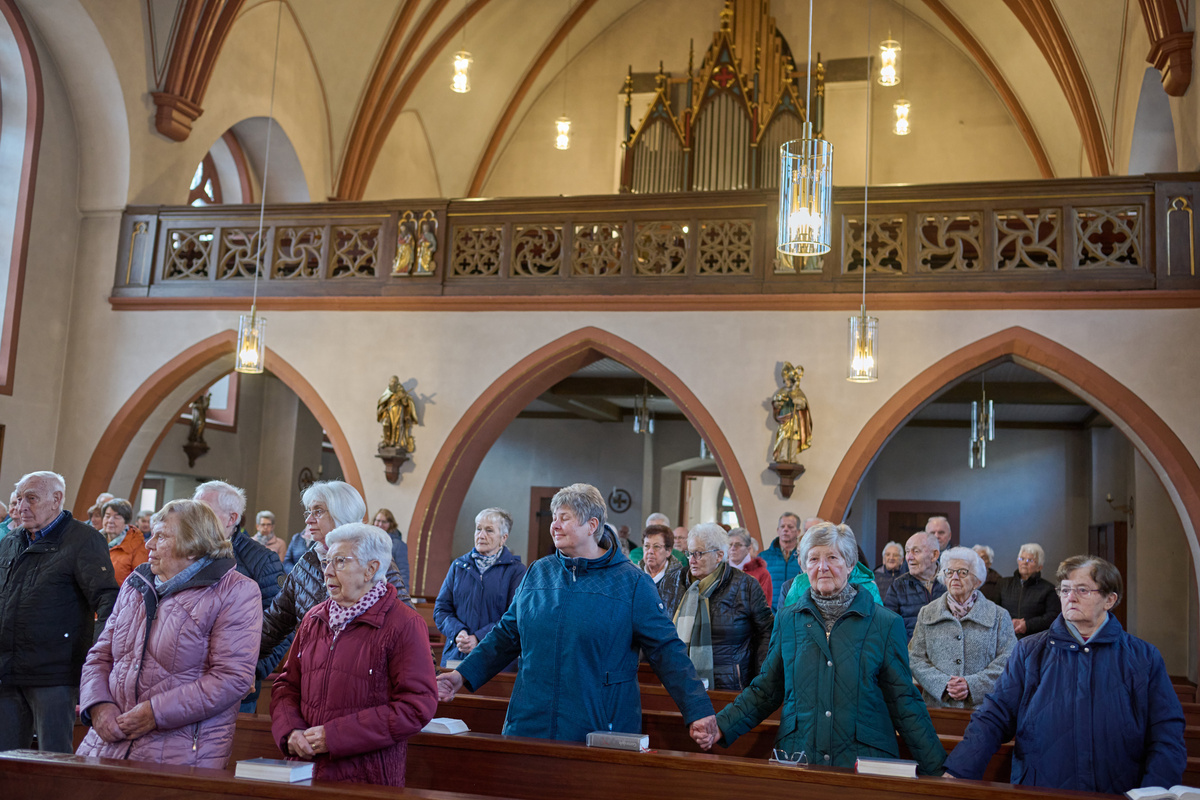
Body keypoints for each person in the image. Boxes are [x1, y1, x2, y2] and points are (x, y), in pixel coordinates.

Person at [436, 483, 716, 743]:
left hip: (598, 727)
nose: (554, 525)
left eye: (564, 518)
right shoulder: (538, 572)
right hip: (530, 722)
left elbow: (666, 651)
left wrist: (698, 709)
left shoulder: (631, 583)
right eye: (554, 517)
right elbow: (505, 635)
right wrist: (462, 674)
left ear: (592, 525)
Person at [698, 522, 945, 774]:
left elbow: (904, 701)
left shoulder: (884, 623)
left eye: (832, 558)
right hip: (800, 755)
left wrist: (938, 769)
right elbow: (766, 690)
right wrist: (721, 725)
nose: (822, 567)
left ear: (850, 564)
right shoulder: (788, 619)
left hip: (863, 761)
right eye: (813, 559)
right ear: (804, 567)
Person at [944, 556, 1186, 793]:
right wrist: (958, 770)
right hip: (1041, 787)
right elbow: (995, 716)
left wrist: (1155, 793)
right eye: (1066, 589)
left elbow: (1166, 733)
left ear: (1109, 600)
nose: (1071, 597)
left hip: (1118, 789)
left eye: (1082, 590)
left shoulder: (1143, 657)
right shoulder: (1030, 651)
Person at [75, 499, 262, 766]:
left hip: (180, 751)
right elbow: (100, 656)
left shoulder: (235, 591)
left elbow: (232, 677)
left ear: (193, 545)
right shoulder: (136, 583)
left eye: (161, 537)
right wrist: (98, 706)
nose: (149, 544)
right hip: (107, 741)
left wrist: (155, 713)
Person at [271, 523, 437, 787]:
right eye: (326, 561)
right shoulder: (314, 618)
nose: (327, 571)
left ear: (371, 569)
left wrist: (334, 737)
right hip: (304, 771)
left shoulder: (404, 623)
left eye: (340, 562)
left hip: (366, 778)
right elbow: (286, 686)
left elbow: (416, 706)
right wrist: (290, 731)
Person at [0, 471, 119, 753]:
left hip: (54, 672)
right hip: (8, 670)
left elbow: (107, 600)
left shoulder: (83, 540)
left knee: (53, 758)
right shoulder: (11, 541)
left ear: (56, 500)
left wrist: (98, 654)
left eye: (31, 498)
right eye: (20, 499)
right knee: (5, 760)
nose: (22, 506)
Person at [259, 481, 412, 687]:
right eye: (308, 512)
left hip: (364, 683)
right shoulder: (306, 563)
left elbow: (408, 627)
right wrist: (234, 663)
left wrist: (433, 674)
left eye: (318, 511)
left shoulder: (372, 560)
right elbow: (273, 624)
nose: (309, 520)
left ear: (342, 513)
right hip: (314, 682)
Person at [193, 480, 284, 712]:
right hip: (186, 680)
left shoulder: (262, 559)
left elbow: (280, 626)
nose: (195, 517)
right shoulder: (183, 552)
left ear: (231, 518)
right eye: (194, 510)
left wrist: (249, 670)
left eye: (204, 511)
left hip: (235, 688)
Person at [658, 523, 773, 691]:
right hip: (677, 681)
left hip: (730, 685)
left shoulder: (746, 585)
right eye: (689, 553)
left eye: (699, 554)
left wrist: (760, 682)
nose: (692, 560)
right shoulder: (671, 583)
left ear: (719, 556)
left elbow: (766, 633)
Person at [908, 546, 1016, 708]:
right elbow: (915, 657)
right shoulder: (927, 613)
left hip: (984, 710)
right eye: (949, 572)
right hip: (937, 708)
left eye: (963, 572)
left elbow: (1009, 659)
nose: (955, 577)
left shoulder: (999, 616)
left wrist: (972, 685)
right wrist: (943, 684)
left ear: (977, 581)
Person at [433, 507, 527, 668]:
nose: (481, 535)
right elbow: (441, 609)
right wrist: (458, 633)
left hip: (496, 657)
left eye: (489, 530)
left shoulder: (516, 570)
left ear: (503, 538)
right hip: (457, 653)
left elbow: (514, 616)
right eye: (478, 529)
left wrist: (478, 638)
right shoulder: (458, 566)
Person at [885, 530, 946, 639]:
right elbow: (888, 628)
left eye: (916, 551)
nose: (909, 557)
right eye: (907, 551)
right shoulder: (898, 586)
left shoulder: (950, 582)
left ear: (934, 555)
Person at [998, 542, 1060, 638]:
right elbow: (995, 609)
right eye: (1022, 559)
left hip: (1035, 640)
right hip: (1005, 637)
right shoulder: (1003, 583)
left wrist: (1027, 625)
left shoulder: (1048, 589)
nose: (1024, 563)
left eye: (1030, 560)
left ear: (1039, 567)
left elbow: (1053, 616)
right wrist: (1008, 622)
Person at [771, 361, 813, 463]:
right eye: (785, 381)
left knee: (794, 437)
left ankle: (792, 456)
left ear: (792, 380)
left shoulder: (797, 392)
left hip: (794, 418)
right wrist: (777, 404)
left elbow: (803, 404)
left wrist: (797, 402)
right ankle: (783, 456)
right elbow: (776, 403)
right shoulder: (782, 391)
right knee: (784, 436)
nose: (786, 383)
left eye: (788, 381)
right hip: (784, 417)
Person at [100, 497, 149, 585]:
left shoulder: (137, 545)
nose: (110, 521)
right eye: (107, 516)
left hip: (119, 593)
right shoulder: (95, 540)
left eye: (116, 517)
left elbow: (141, 582)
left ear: (126, 521)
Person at [761, 512, 802, 610]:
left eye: (790, 527)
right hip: (769, 613)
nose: (785, 529)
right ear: (778, 530)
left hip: (797, 612)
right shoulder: (763, 557)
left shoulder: (804, 557)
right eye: (782, 526)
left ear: (798, 531)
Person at [726, 528, 772, 603]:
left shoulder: (762, 573)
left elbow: (763, 605)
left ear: (749, 548)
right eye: (730, 545)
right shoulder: (721, 572)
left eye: (738, 545)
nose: (733, 548)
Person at [373, 507, 411, 593]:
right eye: (378, 520)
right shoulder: (370, 542)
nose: (380, 524)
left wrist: (403, 593)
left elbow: (403, 571)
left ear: (391, 524)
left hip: (389, 590)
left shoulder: (398, 545)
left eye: (384, 522)